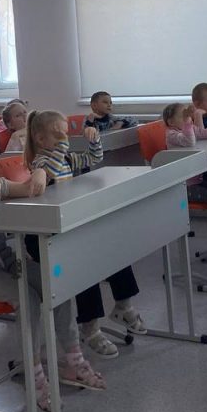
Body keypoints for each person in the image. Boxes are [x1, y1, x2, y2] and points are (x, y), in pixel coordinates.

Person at [0, 135, 103, 411]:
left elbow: (29, 189)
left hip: (8, 261)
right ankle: (35, 373)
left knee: (56, 283)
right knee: (27, 298)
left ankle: (73, 358)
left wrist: (39, 172)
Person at [25, 110, 146, 359]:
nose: (64, 139)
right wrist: (62, 145)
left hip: (69, 225)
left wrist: (94, 139)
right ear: (40, 139)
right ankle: (90, 328)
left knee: (114, 248)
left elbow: (94, 158)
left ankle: (123, 306)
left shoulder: (67, 158)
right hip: (45, 234)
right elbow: (52, 168)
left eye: (65, 134)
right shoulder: (40, 163)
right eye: (58, 134)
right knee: (84, 264)